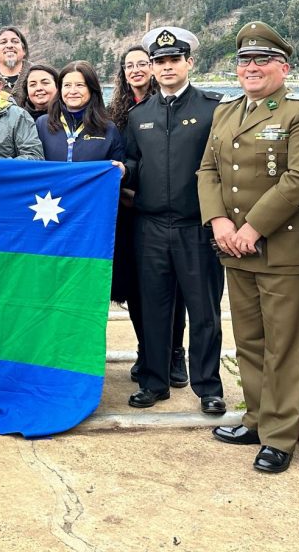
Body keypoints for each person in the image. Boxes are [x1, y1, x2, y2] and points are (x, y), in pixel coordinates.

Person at [198, 21, 299, 474]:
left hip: (284, 251)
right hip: (234, 248)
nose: (251, 67)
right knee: (249, 340)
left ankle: (279, 437)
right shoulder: (226, 112)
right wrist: (218, 221)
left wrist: (251, 228)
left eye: (262, 60)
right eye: (244, 60)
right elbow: (207, 171)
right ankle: (256, 418)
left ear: (283, 67)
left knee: (285, 345)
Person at [122, 28, 225, 414]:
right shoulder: (139, 115)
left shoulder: (214, 109)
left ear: (188, 63)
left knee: (204, 312)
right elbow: (134, 163)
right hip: (149, 227)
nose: (166, 67)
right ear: (151, 68)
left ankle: (208, 387)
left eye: (173, 60)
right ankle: (154, 381)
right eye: (159, 62)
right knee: (153, 308)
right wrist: (120, 171)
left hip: (196, 226)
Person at [108, 45, 188, 385]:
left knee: (175, 289)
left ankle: (175, 354)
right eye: (130, 65)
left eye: (143, 63)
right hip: (129, 214)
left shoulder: (168, 106)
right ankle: (148, 351)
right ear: (123, 73)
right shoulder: (115, 114)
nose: (136, 70)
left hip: (167, 210)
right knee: (141, 289)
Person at [36, 61, 125, 165]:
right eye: (67, 85)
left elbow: (118, 170)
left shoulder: (108, 128)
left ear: (91, 89)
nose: (73, 91)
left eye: (80, 85)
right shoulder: (42, 124)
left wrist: (123, 171)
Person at [0, 26, 28, 90]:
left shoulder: (37, 75)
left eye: (15, 41)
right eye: (3, 42)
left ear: (24, 50)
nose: (9, 46)